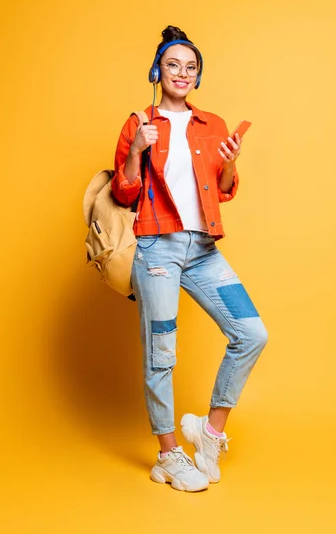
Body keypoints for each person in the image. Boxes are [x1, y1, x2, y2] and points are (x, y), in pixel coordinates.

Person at [111, 25, 268, 492]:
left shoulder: (212, 125)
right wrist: (137, 151)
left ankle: (210, 431)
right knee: (162, 354)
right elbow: (123, 193)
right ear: (158, 71)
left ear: (198, 77)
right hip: (157, 248)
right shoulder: (138, 122)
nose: (182, 73)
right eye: (173, 65)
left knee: (251, 333)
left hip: (203, 250)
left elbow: (223, 191)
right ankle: (168, 455)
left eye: (191, 67)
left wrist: (232, 162)